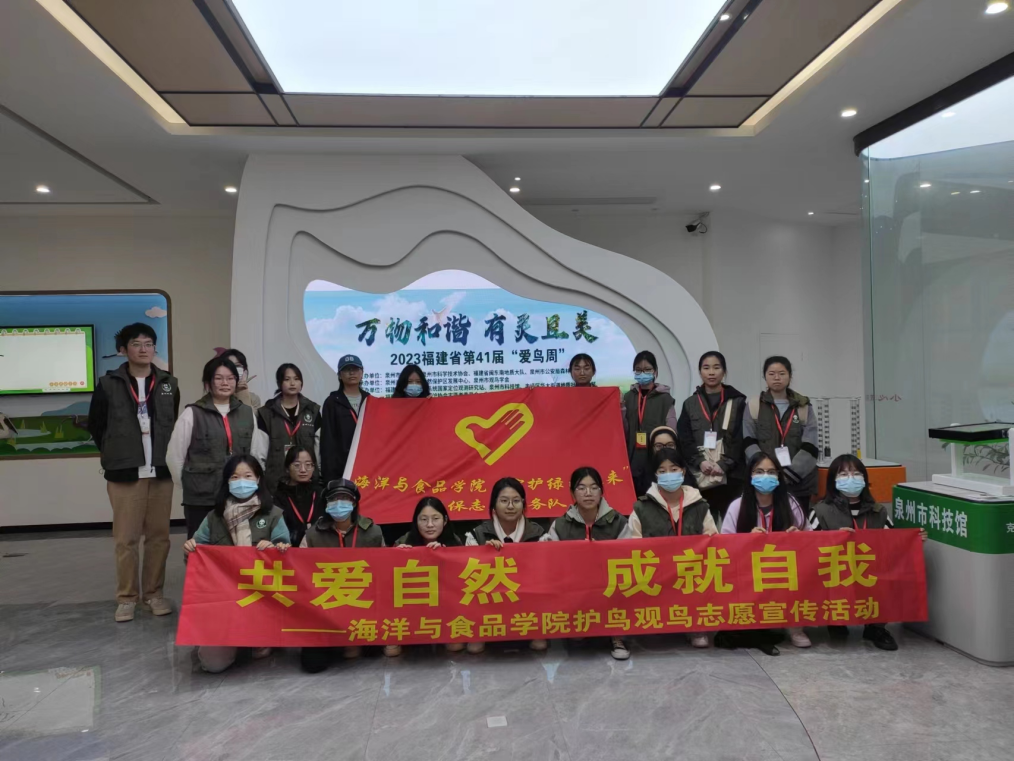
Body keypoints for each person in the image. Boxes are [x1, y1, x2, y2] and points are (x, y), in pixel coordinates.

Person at [87, 323, 180, 623]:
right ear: (123, 350)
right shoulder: (108, 384)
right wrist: (116, 451)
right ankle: (127, 598)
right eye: (137, 344)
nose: (144, 349)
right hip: (126, 472)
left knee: (159, 537)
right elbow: (96, 425)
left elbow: (172, 422)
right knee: (125, 539)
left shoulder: (168, 383)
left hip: (160, 471)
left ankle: (153, 594)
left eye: (149, 344)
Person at [182, 455, 290, 673]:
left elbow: (287, 556)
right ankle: (223, 638)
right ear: (227, 481)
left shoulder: (273, 514)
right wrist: (190, 550)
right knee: (213, 664)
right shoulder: (214, 517)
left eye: (248, 476)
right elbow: (196, 561)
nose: (242, 481)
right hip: (224, 600)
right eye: (235, 477)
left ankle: (258, 636)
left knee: (259, 647)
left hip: (260, 595)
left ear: (258, 479)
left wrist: (274, 550)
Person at [808, 454, 927, 651]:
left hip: (868, 571)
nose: (851, 478)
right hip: (836, 572)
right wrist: (832, 539)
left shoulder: (878, 511)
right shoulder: (820, 511)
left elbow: (893, 545)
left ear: (864, 479)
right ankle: (835, 619)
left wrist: (914, 540)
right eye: (843, 474)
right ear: (833, 481)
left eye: (856, 473)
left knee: (890, 575)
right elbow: (808, 549)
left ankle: (876, 627)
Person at [167, 356, 268, 538]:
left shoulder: (246, 413)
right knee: (200, 545)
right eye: (219, 378)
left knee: (238, 544)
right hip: (201, 498)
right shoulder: (192, 413)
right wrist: (189, 484)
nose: (225, 383)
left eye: (230, 378)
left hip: (238, 496)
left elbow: (255, 454)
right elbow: (175, 457)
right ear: (208, 383)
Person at [721, 452, 811, 653]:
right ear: (750, 476)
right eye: (759, 471)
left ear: (779, 476)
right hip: (748, 571)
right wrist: (747, 540)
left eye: (771, 472)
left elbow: (811, 539)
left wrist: (799, 537)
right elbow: (724, 545)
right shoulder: (737, 506)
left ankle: (795, 627)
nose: (765, 476)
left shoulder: (790, 503)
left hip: (784, 569)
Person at [630, 448, 718, 648]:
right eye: (662, 471)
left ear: (683, 472)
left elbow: (713, 541)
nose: (668, 474)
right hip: (655, 574)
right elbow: (632, 546)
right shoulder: (641, 508)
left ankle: (695, 624)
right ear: (656, 475)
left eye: (674, 469)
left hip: (691, 574)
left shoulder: (700, 506)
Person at [542, 467, 632, 660]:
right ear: (572, 492)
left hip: (610, 583)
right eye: (581, 488)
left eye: (594, 487)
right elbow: (551, 561)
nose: (588, 493)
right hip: (575, 586)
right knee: (577, 641)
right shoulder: (560, 525)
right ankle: (579, 626)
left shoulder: (618, 522)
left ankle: (617, 636)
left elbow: (629, 557)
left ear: (602, 491)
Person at [299, 478, 385, 671]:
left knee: (374, 651)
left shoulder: (373, 531)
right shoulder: (313, 534)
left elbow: (384, 570)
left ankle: (351, 644)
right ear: (326, 504)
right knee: (312, 664)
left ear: (354, 502)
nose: (339, 503)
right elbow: (300, 569)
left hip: (362, 603)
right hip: (326, 606)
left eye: (345, 498)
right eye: (333, 499)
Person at [464, 477, 547, 654]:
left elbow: (546, 575)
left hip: (527, 604)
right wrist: (484, 555)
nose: (510, 506)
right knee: (474, 648)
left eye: (516, 501)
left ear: (523, 504)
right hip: (489, 605)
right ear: (494, 505)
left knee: (540, 645)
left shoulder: (539, 534)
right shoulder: (477, 535)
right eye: (504, 501)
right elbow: (468, 579)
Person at [677, 351, 747, 525]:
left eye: (716, 367)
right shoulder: (690, 403)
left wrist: (724, 464)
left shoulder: (737, 401)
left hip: (731, 477)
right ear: (700, 372)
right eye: (706, 368)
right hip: (700, 475)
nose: (711, 372)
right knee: (704, 527)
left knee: (732, 525)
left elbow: (740, 437)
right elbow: (684, 438)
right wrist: (700, 462)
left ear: (724, 372)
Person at [743, 356, 819, 509]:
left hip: (799, 484)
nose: (776, 378)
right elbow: (748, 442)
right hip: (764, 483)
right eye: (771, 374)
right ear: (765, 377)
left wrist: (788, 475)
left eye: (782, 373)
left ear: (790, 376)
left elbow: (810, 446)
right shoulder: (754, 405)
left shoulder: (803, 406)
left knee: (797, 522)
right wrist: (767, 472)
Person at [394, 497, 466, 654]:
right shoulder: (404, 540)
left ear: (445, 520)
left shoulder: (454, 541)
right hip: (413, 607)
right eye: (424, 519)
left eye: (435, 519)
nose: (430, 525)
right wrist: (397, 557)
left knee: (456, 647)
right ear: (416, 521)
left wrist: (445, 554)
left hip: (446, 607)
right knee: (392, 651)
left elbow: (462, 581)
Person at [257, 363, 321, 494]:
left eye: (296, 379)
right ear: (279, 383)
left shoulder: (313, 411)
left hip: (307, 481)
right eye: (287, 379)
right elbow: (259, 452)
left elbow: (319, 448)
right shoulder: (266, 413)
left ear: (301, 383)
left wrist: (318, 474)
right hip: (276, 483)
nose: (292, 383)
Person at [622, 351, 678, 497]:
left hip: (656, 461)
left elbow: (671, 431)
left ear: (655, 372)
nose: (643, 373)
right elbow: (624, 431)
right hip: (632, 461)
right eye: (638, 370)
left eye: (647, 370)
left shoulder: (665, 399)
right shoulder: (628, 397)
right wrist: (621, 409)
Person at [320, 354, 371, 483]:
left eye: (355, 369)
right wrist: (329, 476)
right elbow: (327, 441)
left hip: (367, 465)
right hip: (341, 468)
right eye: (347, 369)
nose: (351, 373)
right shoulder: (332, 402)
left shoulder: (370, 400)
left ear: (362, 373)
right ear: (339, 375)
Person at [272, 446, 322, 548]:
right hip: (288, 549)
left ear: (313, 467)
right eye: (297, 465)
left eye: (308, 465)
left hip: (319, 548)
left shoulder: (321, 493)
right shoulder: (279, 497)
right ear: (287, 468)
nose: (303, 470)